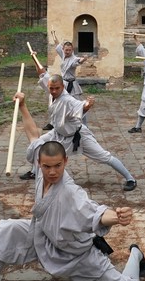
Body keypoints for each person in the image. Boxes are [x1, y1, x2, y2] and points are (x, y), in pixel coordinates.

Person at [0, 99, 145, 281]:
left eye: (58, 166)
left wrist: (116, 217)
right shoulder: (41, 167)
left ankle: (136, 255)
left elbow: (96, 214)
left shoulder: (71, 192)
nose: (53, 172)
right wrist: (22, 105)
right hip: (44, 236)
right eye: (47, 167)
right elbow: (32, 133)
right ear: (39, 164)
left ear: (65, 161)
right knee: (8, 231)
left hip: (74, 253)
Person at [21, 56, 137, 191]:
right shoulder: (52, 88)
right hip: (58, 134)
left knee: (104, 156)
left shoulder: (68, 100)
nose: (53, 91)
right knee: (38, 145)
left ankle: (130, 179)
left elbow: (82, 106)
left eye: (56, 89)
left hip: (78, 136)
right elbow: (42, 72)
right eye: (51, 88)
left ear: (62, 87)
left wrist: (89, 104)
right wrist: (34, 57)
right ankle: (35, 171)